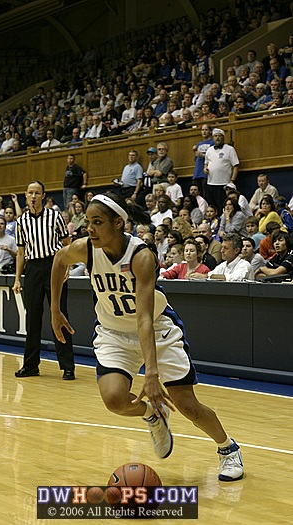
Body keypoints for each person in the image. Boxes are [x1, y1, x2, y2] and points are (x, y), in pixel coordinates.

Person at [50, 192, 244, 482]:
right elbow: (58, 260)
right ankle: (152, 415)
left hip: (155, 329)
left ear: (118, 223)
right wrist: (54, 308)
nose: (89, 229)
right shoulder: (86, 248)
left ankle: (228, 449)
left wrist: (151, 374)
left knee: (187, 405)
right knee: (114, 399)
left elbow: (143, 318)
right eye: (88, 222)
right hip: (114, 332)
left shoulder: (141, 256)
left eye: (97, 222)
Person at [13, 180, 75, 380]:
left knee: (59, 314)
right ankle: (31, 365)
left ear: (43, 196)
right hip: (32, 270)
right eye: (30, 192)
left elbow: (67, 244)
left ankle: (68, 366)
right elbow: (21, 254)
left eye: (37, 193)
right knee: (32, 318)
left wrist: (68, 266)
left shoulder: (55, 216)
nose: (33, 196)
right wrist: (17, 279)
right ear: (26, 195)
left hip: (54, 266)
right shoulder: (21, 222)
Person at [204, 129, 240, 214]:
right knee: (212, 207)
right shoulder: (209, 150)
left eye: (219, 136)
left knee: (223, 207)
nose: (217, 138)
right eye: (215, 136)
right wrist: (205, 168)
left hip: (224, 184)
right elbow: (206, 164)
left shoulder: (229, 149)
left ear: (223, 138)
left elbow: (236, 165)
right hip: (211, 183)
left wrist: (232, 181)